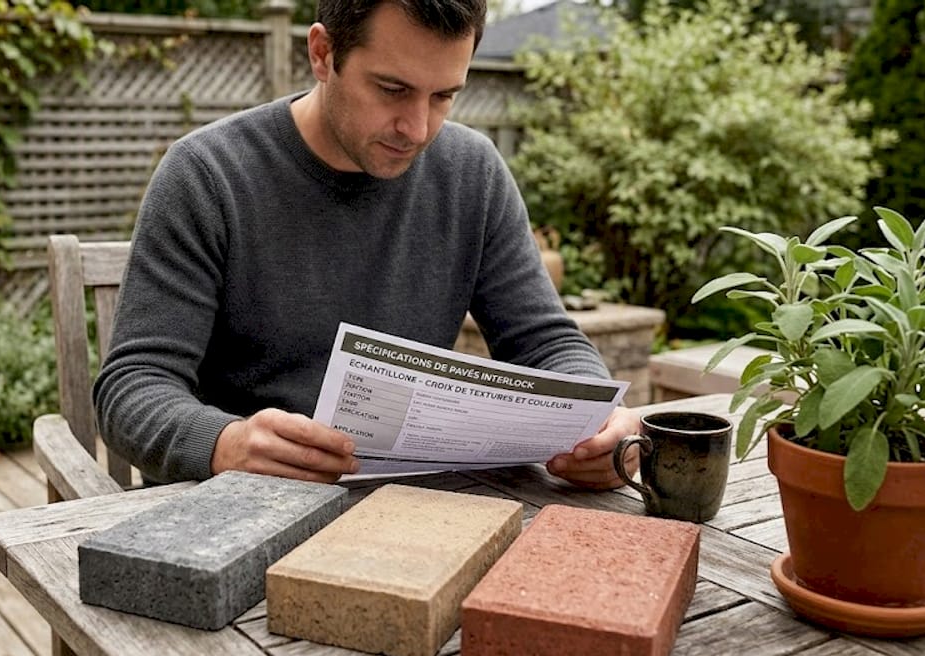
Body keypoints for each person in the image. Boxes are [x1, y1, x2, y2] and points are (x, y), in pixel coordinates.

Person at [92, 0, 640, 488]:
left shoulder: (472, 173)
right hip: (234, 509)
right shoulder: (208, 175)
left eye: (444, 95)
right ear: (323, 53)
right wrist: (224, 443)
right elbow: (134, 387)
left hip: (412, 507)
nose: (419, 128)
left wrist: (596, 421)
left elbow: (545, 341)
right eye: (393, 90)